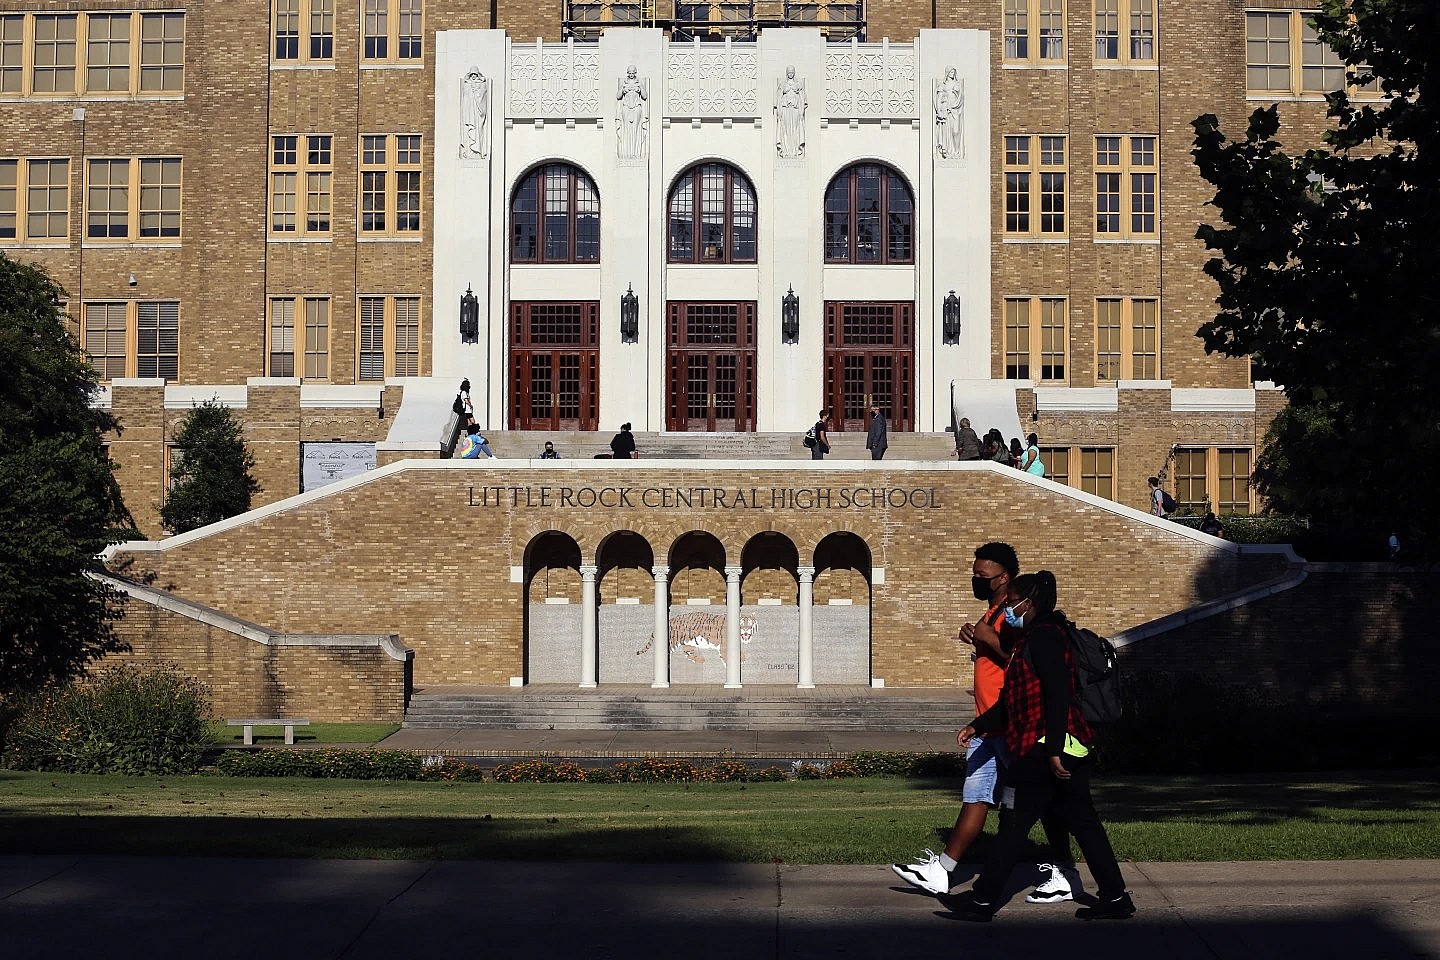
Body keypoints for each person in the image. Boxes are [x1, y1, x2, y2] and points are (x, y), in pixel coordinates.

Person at [946, 571, 1135, 923]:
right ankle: (1115, 897)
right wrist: (978, 725)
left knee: (1013, 823)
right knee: (1085, 823)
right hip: (1056, 747)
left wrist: (1052, 749)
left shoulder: (1046, 637)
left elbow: (1058, 694)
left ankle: (984, 900)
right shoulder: (1029, 638)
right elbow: (1011, 699)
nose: (1006, 609)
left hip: (1043, 749)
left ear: (1027, 603)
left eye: (1011, 602)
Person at [892, 543, 1074, 902]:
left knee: (1041, 804)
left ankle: (1063, 871)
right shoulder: (994, 612)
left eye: (982, 576)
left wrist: (990, 641)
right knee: (975, 798)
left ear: (1003, 577)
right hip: (987, 723)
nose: (976, 580)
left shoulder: (1014, 614)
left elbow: (1027, 664)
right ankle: (941, 871)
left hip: (1012, 726)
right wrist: (980, 642)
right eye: (975, 573)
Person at [616, 65, 648, 159]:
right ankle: (626, 152)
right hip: (626, 107)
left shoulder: (639, 83)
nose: (631, 74)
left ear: (635, 72)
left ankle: (635, 152)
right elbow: (618, 96)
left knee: (635, 130)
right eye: (629, 73)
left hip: (636, 108)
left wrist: (640, 87)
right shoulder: (624, 83)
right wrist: (622, 88)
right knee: (626, 130)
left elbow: (645, 96)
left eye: (633, 73)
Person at [933, 66, 965, 160]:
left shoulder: (957, 84)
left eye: (953, 72)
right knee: (947, 132)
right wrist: (939, 111)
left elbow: (961, 97)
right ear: (947, 73)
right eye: (950, 72)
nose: (952, 74)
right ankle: (947, 151)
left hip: (956, 110)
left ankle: (957, 151)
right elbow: (938, 99)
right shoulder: (943, 85)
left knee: (956, 131)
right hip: (946, 112)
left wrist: (957, 91)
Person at [775, 65, 806, 158]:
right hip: (785, 110)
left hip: (795, 110)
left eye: (792, 72)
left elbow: (803, 98)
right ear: (786, 73)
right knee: (785, 131)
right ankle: (786, 151)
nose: (790, 74)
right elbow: (778, 98)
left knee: (795, 130)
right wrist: (779, 111)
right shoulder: (782, 84)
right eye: (789, 72)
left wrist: (801, 111)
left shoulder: (798, 84)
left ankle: (795, 151)